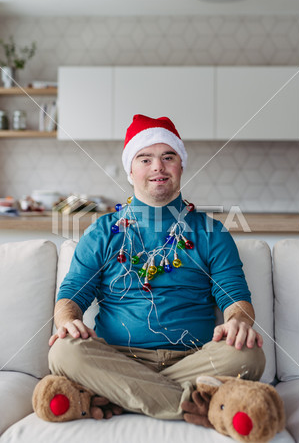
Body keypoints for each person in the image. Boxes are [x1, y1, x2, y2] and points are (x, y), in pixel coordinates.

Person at [48, 114, 265, 426]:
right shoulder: (102, 232)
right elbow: (70, 296)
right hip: (116, 359)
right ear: (130, 170)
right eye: (145, 158)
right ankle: (203, 404)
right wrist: (67, 321)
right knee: (64, 352)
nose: (158, 168)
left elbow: (236, 300)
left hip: (195, 360)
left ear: (180, 165)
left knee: (248, 355)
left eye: (168, 157)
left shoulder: (212, 232)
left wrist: (239, 323)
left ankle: (116, 396)